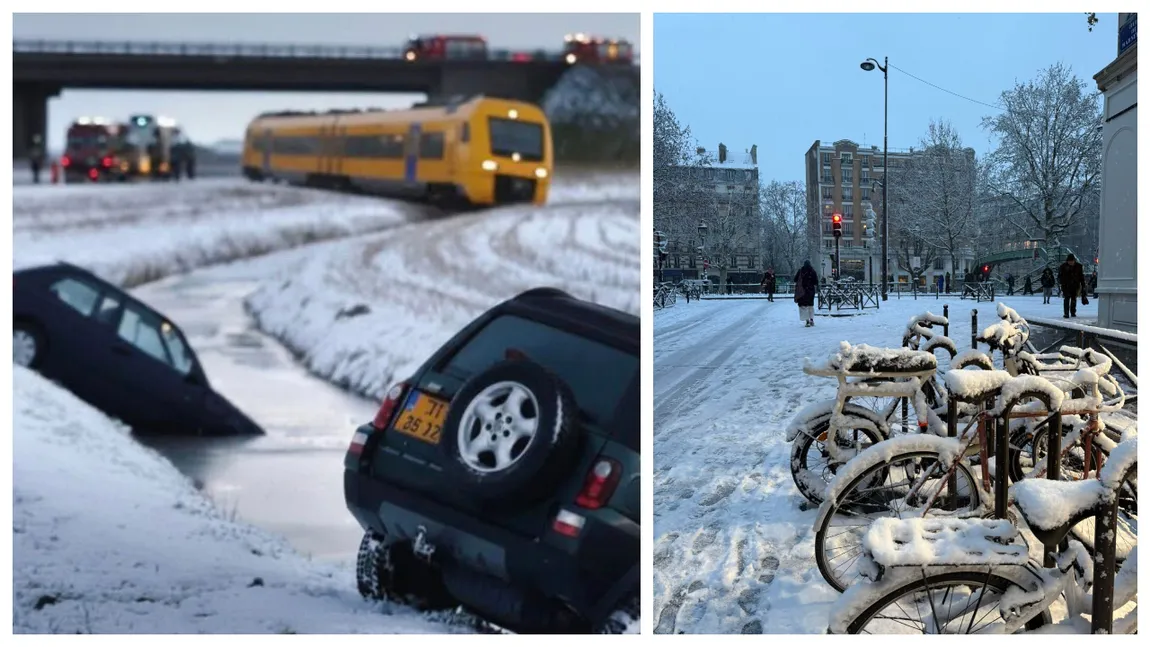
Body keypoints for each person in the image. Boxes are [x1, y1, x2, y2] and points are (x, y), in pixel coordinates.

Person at [1058, 254, 1086, 318]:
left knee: (1073, 299)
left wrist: (1083, 285)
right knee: (1067, 299)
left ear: (1074, 261)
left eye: (1072, 261)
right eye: (1069, 261)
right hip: (1066, 285)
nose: (1071, 262)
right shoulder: (1063, 267)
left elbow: (1081, 277)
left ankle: (1073, 312)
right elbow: (1059, 276)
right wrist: (1061, 283)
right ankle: (1066, 313)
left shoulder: (1079, 266)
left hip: (1075, 285)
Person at [794, 260, 819, 327]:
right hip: (810, 291)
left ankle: (807, 321)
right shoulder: (812, 271)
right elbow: (816, 281)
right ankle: (811, 319)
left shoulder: (800, 271)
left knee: (803, 306)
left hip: (802, 291)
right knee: (810, 306)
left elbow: (795, 279)